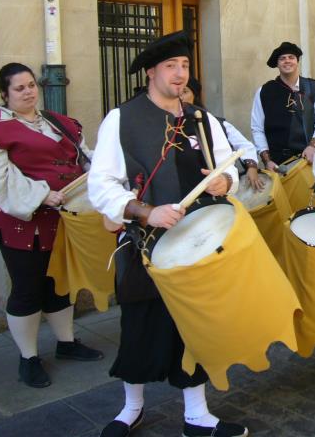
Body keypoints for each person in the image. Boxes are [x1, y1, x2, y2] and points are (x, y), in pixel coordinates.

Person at [88, 31, 247, 437]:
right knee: (139, 325)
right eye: (171, 66)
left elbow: (229, 166)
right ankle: (131, 409)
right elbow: (101, 185)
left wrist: (226, 181)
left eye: (185, 66)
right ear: (151, 73)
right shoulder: (122, 119)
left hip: (197, 244)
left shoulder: (201, 119)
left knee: (192, 326)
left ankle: (197, 415)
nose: (180, 74)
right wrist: (146, 212)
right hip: (144, 246)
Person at [0, 63, 103, 389]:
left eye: (31, 85)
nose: (28, 92)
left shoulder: (59, 123)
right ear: (5, 94)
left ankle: (66, 342)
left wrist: (101, 174)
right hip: (20, 221)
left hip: (63, 219)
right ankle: (28, 358)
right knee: (27, 289)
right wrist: (43, 194)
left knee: (60, 283)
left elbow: (84, 157)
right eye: (19, 88)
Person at [251, 41, 315, 174]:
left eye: (291, 57)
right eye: (282, 58)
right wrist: (267, 160)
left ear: (297, 61)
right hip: (277, 164)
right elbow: (257, 129)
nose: (287, 61)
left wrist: (312, 147)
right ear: (277, 64)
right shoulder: (264, 91)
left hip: (310, 160)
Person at [183, 79, 263, 192]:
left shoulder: (213, 122)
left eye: (185, 92)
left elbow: (245, 146)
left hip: (211, 193)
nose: (179, 96)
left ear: (194, 95)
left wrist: (251, 167)